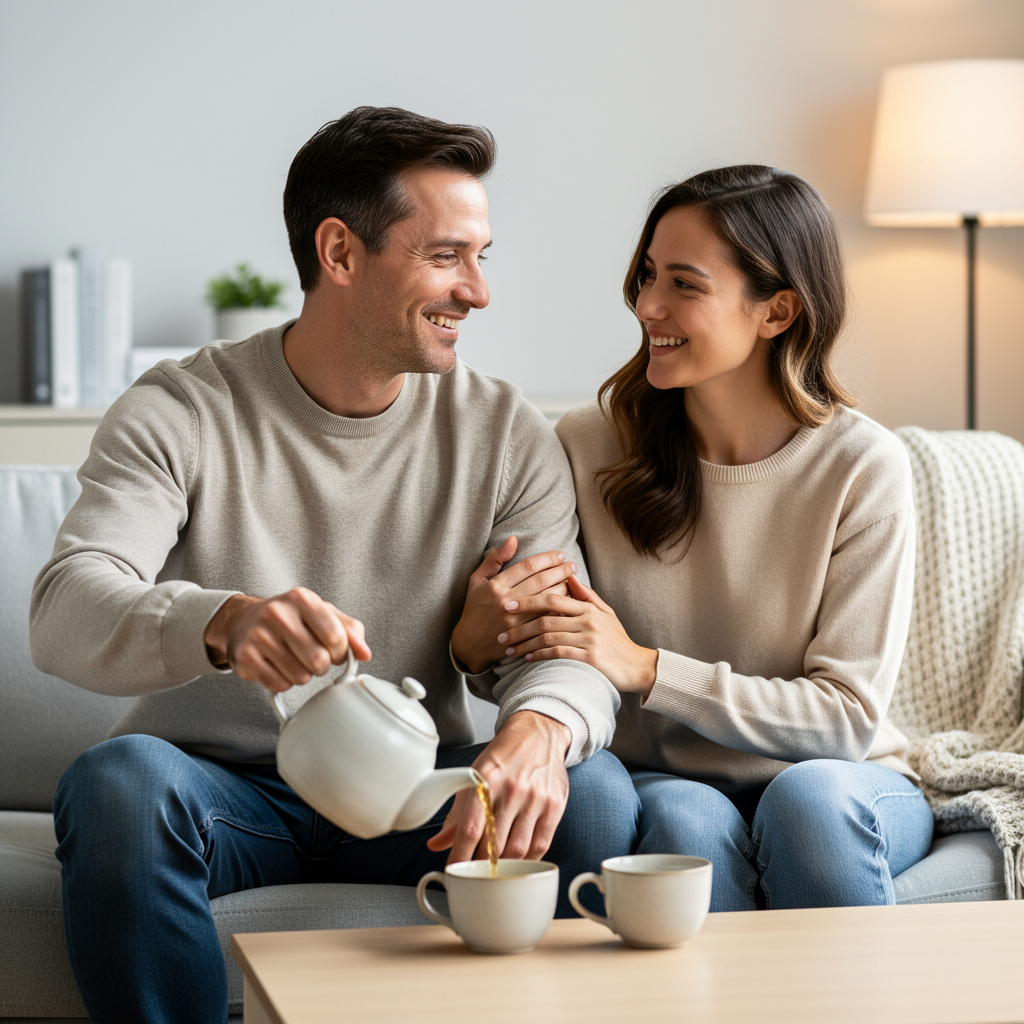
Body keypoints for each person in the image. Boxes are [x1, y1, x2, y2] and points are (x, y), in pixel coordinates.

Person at [31, 106, 637, 1023]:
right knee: (118, 785)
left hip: (420, 797)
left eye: (482, 256)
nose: (477, 291)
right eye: (445, 257)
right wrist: (223, 621)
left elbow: (565, 646)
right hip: (225, 795)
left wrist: (539, 733)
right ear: (340, 253)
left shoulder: (506, 434)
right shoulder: (182, 409)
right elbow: (66, 607)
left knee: (592, 790)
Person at [451, 165, 934, 912]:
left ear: (776, 311)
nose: (647, 304)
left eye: (684, 283)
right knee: (684, 820)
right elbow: (546, 652)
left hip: (843, 776)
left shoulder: (862, 466)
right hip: (667, 778)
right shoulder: (586, 444)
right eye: (647, 276)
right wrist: (477, 651)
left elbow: (844, 718)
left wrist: (648, 668)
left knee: (805, 806)